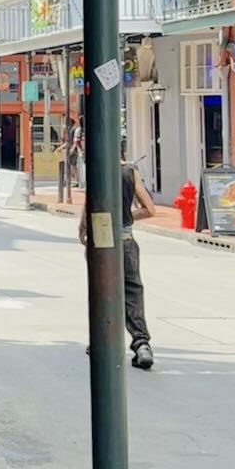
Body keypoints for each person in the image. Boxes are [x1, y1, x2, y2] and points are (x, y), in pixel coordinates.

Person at [78, 144, 155, 371]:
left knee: (102, 291)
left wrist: (83, 229)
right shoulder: (130, 172)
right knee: (132, 291)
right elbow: (150, 209)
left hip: (100, 240)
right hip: (126, 239)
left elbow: (89, 205)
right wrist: (127, 217)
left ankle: (101, 340)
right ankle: (141, 344)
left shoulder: (98, 170)